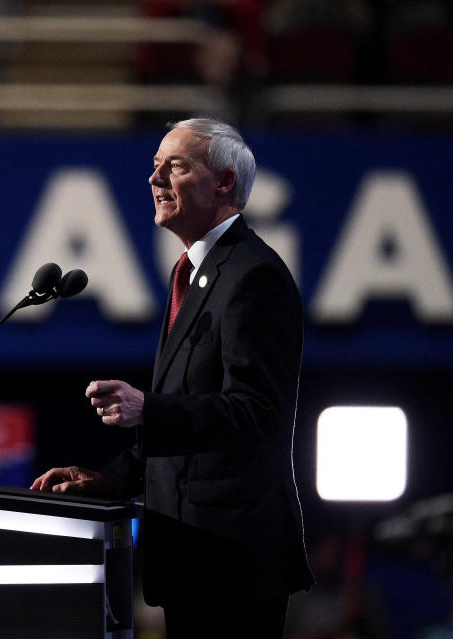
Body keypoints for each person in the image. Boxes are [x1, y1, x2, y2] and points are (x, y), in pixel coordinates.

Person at [31, 118, 314, 638]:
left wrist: (148, 409)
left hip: (235, 566)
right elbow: (187, 413)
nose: (155, 178)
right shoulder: (189, 271)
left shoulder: (254, 276)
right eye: (155, 165)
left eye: (176, 166)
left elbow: (257, 413)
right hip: (193, 560)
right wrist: (109, 479)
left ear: (224, 182)